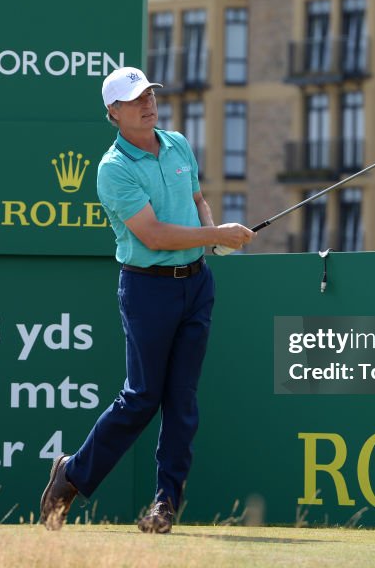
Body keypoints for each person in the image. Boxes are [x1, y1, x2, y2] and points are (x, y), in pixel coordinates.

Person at [39, 66, 255, 533]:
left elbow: (198, 199)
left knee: (182, 401)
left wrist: (212, 237)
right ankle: (70, 474)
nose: (148, 103)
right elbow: (153, 235)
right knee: (141, 398)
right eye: (136, 99)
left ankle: (165, 506)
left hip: (196, 284)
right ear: (113, 112)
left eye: (150, 95)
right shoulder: (112, 169)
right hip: (148, 287)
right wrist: (215, 233)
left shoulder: (176, 144)